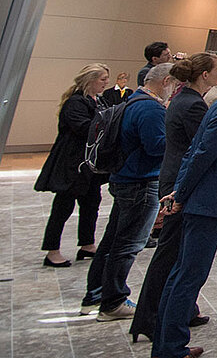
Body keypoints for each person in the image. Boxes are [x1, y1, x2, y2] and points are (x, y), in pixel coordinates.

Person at [153, 52, 217, 358]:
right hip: (206, 202)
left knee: (183, 274)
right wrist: (181, 194)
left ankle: (168, 344)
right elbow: (201, 153)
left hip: (205, 199)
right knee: (188, 276)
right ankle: (170, 348)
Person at [130, 54, 217, 344]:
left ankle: (179, 310)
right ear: (204, 75)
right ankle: (149, 317)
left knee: (179, 252)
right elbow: (200, 148)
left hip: (175, 177)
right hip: (178, 183)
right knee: (171, 252)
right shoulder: (192, 104)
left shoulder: (183, 99)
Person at [81, 62, 170, 320]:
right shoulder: (149, 107)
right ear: (166, 82)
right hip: (140, 181)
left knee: (113, 241)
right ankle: (113, 301)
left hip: (125, 179)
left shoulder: (134, 100)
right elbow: (157, 147)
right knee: (128, 244)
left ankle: (96, 294)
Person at [37, 63, 110, 269]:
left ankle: (87, 244)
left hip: (89, 164)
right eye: (102, 79)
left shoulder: (99, 100)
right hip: (72, 163)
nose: (106, 83)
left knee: (91, 204)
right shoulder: (76, 103)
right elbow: (84, 128)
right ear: (90, 80)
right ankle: (52, 251)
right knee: (63, 207)